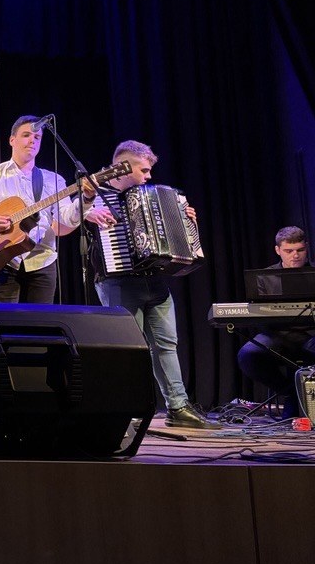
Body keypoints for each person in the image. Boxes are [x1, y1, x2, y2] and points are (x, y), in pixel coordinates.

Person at [84, 140, 217, 429]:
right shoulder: (94, 193)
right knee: (127, 348)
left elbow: (175, 238)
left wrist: (186, 221)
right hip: (118, 282)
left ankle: (178, 407)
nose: (149, 176)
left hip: (154, 281)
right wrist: (87, 212)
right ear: (124, 167)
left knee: (167, 344)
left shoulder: (151, 195)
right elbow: (66, 218)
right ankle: (126, 409)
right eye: (143, 170)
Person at [0, 115, 94, 304]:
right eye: (26, 135)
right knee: (3, 321)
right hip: (1, 260)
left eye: (37, 137)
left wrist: (86, 199)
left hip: (42, 261)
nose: (32, 140)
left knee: (40, 321)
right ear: (12, 140)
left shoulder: (53, 179)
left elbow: (67, 218)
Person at [236, 226, 315, 418]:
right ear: (278, 250)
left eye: (300, 250)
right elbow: (259, 314)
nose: (295, 255)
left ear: (306, 248)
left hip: (311, 336)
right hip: (278, 336)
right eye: (289, 251)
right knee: (248, 355)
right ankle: (292, 392)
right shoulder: (265, 278)